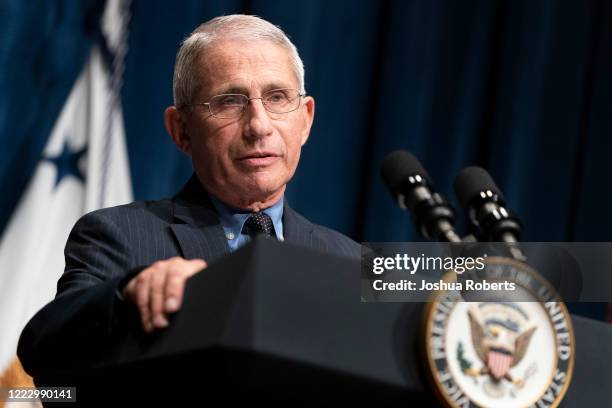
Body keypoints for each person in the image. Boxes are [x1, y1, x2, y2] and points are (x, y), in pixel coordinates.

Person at [17, 14, 360, 379]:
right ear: (181, 130)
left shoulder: (351, 261)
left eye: (277, 97)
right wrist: (129, 295)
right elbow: (45, 348)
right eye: (230, 101)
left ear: (305, 119)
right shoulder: (118, 235)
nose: (259, 125)